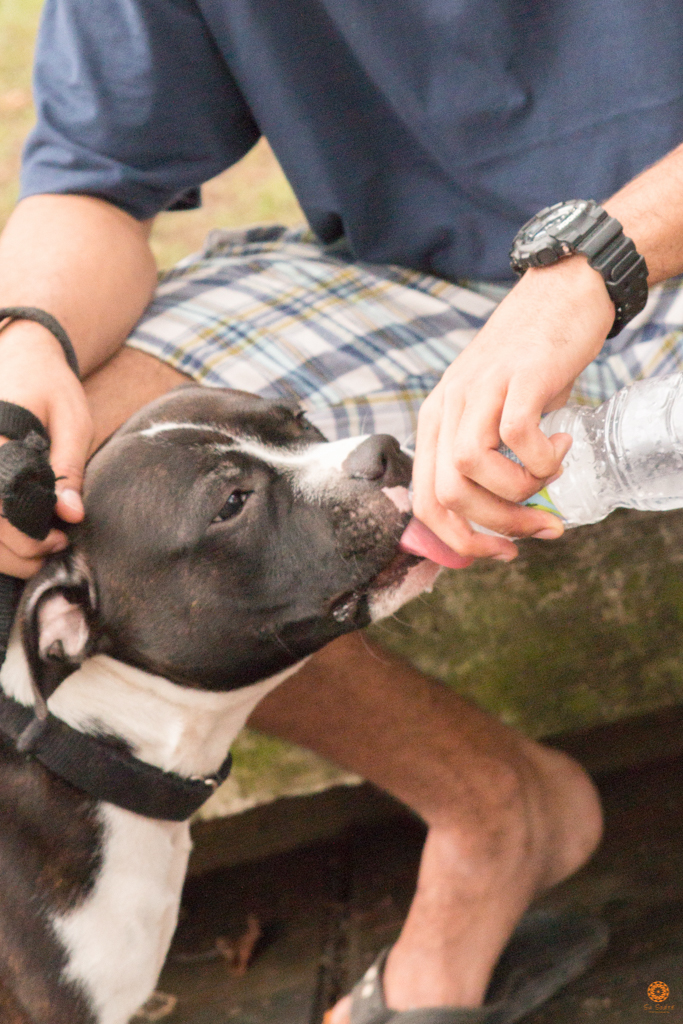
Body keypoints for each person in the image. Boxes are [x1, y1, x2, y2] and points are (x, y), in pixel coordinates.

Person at [1, 0, 683, 1018]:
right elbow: (92, 182)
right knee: (50, 494)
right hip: (413, 276)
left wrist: (594, 262)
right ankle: (488, 811)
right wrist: (24, 344)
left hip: (636, 242)